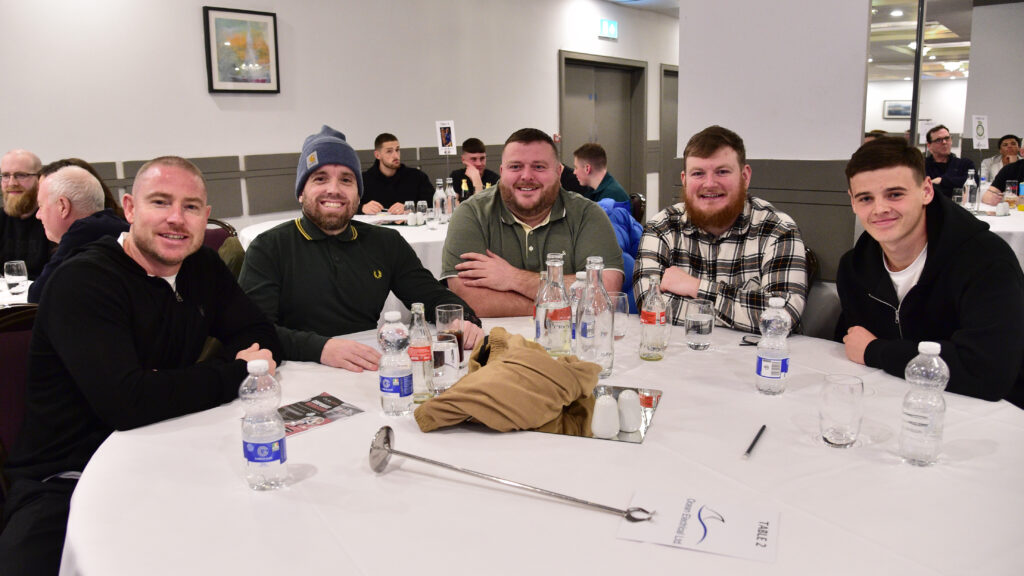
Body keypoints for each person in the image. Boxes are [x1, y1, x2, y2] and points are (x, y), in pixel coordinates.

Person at [0, 156, 280, 575]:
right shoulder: (83, 282)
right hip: (68, 474)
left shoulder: (200, 266)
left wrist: (164, 387)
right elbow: (127, 404)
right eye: (160, 202)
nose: (175, 219)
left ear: (205, 217)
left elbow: (261, 333)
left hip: (175, 447)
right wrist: (237, 372)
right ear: (129, 209)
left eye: (190, 207)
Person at [240, 125, 483, 372]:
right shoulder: (269, 247)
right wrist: (322, 349)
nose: (333, 189)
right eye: (320, 178)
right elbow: (253, 332)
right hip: (292, 371)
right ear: (301, 192)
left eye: (346, 179)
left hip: (365, 369)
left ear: (358, 194)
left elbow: (432, 296)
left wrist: (459, 319)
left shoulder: (386, 243)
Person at [835, 137, 1024, 407]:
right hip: (893, 405)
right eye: (866, 198)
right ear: (852, 202)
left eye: (895, 194)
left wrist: (877, 351)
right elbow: (853, 345)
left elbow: (989, 372)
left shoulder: (986, 261)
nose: (880, 209)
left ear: (926, 191)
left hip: (994, 415)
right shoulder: (854, 268)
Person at [633, 125, 807, 332]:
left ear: (745, 177)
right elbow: (648, 303)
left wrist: (694, 287)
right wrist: (745, 309)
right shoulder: (662, 226)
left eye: (722, 172)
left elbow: (782, 316)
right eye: (698, 173)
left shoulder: (777, 229)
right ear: (684, 180)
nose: (709, 183)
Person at [441, 128, 624, 318]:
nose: (526, 176)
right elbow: (468, 299)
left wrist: (512, 278)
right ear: (502, 172)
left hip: (572, 344)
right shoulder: (472, 214)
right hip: (496, 344)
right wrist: (558, 306)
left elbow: (604, 294)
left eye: (539, 167)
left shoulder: (588, 215)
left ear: (559, 171)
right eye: (515, 167)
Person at [28, 162, 129, 303]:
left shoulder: (82, 233)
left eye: (41, 206)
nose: (38, 215)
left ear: (63, 206)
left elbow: (38, 296)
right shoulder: (115, 225)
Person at [0, 149, 51, 278]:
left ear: (39, 179)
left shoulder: (53, 221)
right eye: (5, 175)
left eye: (21, 175)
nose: (12, 183)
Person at [360, 132, 433, 215]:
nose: (396, 156)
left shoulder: (417, 177)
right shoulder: (363, 180)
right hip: (374, 227)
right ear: (377, 155)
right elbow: (346, 206)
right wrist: (362, 208)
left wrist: (409, 208)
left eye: (397, 150)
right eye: (389, 151)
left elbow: (432, 204)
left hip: (410, 227)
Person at [923, 125, 975, 200]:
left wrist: (942, 181)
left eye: (947, 138)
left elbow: (973, 182)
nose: (944, 142)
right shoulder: (922, 166)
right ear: (929, 145)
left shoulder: (964, 164)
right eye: (938, 140)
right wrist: (955, 183)